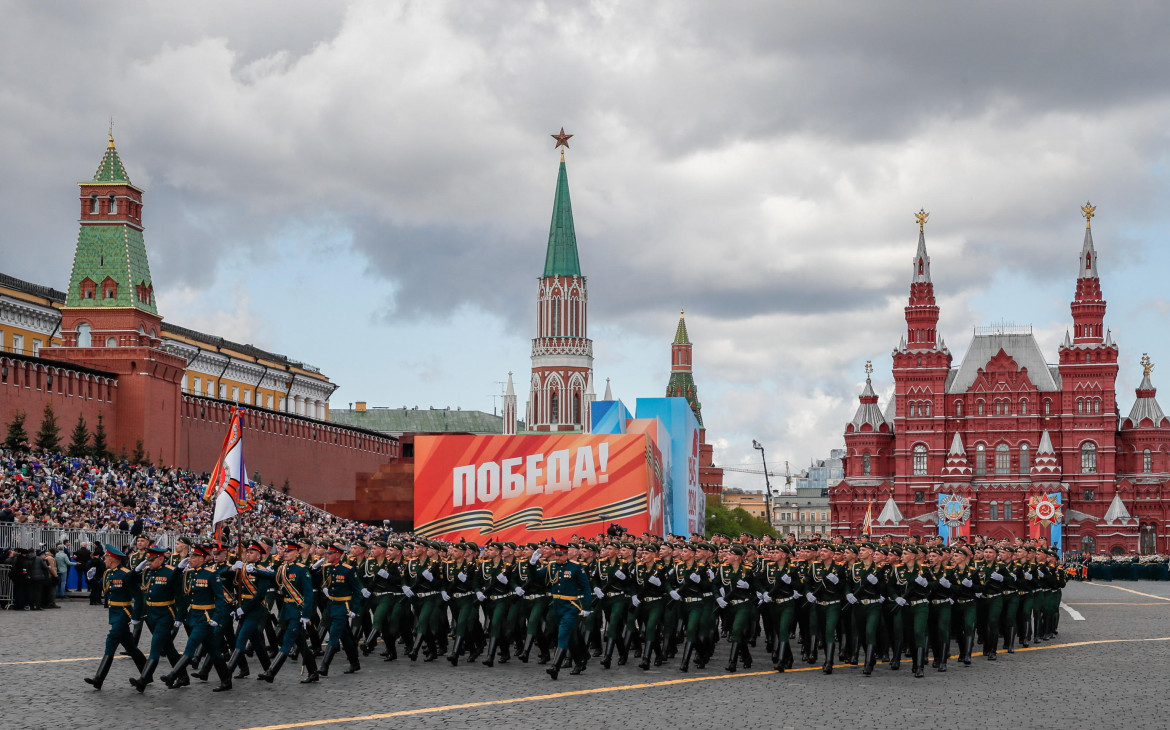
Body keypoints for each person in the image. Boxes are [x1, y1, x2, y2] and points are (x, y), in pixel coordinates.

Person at [160, 544, 234, 692]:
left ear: (201, 559)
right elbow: (180, 591)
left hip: (206, 618)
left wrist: (217, 618)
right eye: (191, 556)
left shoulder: (211, 574)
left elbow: (220, 598)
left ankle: (172, 675)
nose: (190, 559)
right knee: (214, 651)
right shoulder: (189, 574)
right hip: (194, 616)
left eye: (193, 557)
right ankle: (226, 681)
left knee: (191, 646)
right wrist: (179, 569)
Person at [84, 544, 147, 690]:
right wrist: (91, 580)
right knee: (131, 647)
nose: (104, 559)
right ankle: (147, 674)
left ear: (112, 559)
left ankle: (99, 678)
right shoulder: (108, 573)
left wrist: (136, 617)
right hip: (114, 612)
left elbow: (138, 597)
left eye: (106, 557)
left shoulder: (125, 574)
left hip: (124, 612)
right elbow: (100, 588)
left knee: (111, 640)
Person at [257, 540, 320, 684]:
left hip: (297, 611)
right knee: (301, 643)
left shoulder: (301, 569)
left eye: (289, 551)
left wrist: (306, 614)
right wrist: (255, 571)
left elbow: (309, 594)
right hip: (287, 610)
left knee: (287, 642)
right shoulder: (283, 567)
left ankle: (271, 672)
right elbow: (272, 576)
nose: (285, 553)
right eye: (285, 551)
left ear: (297, 553)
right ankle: (313, 672)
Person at [543, 542, 593, 680]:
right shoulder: (552, 566)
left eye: (560, 555)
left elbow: (586, 587)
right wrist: (532, 562)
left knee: (564, 634)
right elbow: (537, 576)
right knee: (571, 636)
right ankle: (582, 658)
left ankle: (555, 667)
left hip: (571, 606)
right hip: (557, 605)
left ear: (566, 555)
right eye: (556, 555)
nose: (557, 558)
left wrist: (587, 607)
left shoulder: (576, 567)